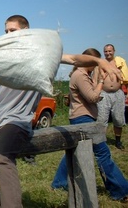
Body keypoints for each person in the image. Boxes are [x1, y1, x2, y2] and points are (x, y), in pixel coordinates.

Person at [0, 15, 123, 208]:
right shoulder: (5, 59)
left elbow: (73, 58)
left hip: (16, 121)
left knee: (3, 157)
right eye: (6, 31)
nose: (8, 34)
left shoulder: (38, 54)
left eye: (12, 31)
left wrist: (100, 62)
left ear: (25, 31)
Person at [51, 48, 128, 202]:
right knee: (103, 154)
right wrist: (100, 81)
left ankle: (59, 183)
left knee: (73, 153)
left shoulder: (83, 74)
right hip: (83, 119)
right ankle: (120, 190)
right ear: (89, 60)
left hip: (83, 118)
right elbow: (92, 97)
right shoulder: (80, 75)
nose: (95, 66)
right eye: (94, 62)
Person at [95, 44, 126, 150]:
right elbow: (95, 78)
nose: (108, 53)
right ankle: (101, 141)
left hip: (118, 93)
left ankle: (118, 141)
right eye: (106, 51)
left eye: (110, 51)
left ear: (114, 51)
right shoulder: (101, 63)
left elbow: (125, 77)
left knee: (118, 118)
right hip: (104, 93)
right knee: (102, 119)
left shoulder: (119, 63)